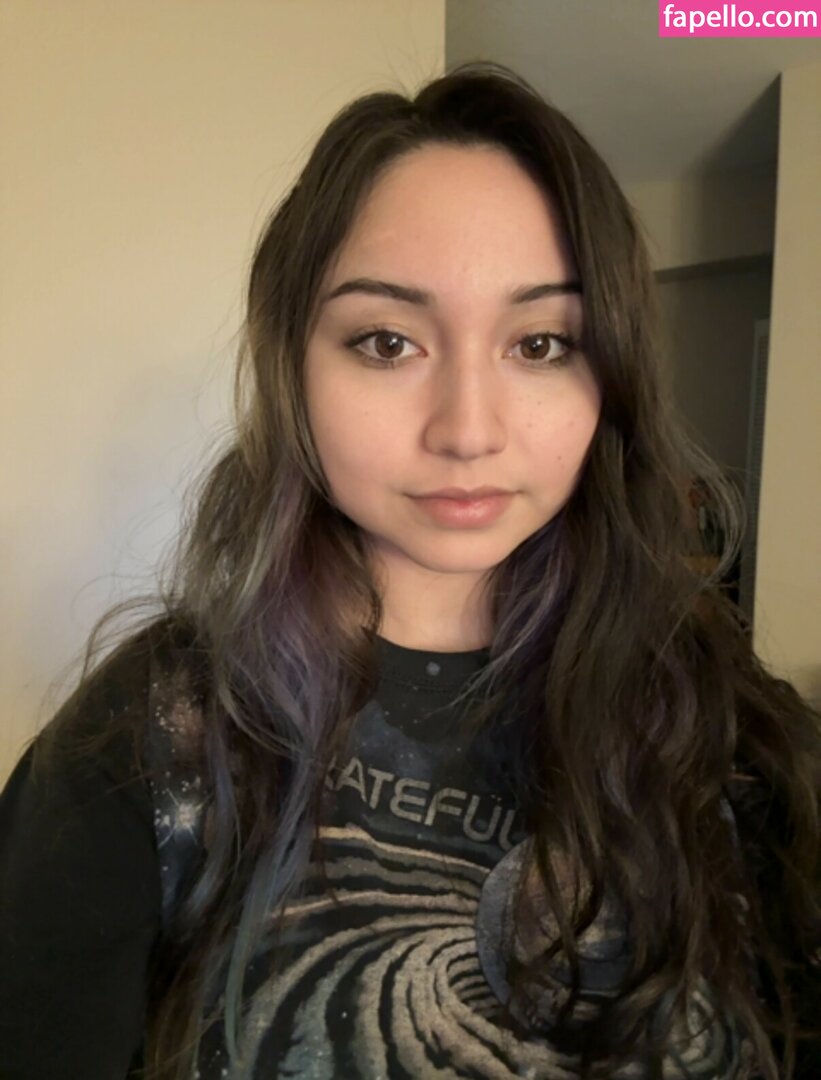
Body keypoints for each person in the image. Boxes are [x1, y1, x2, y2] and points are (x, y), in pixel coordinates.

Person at [0, 61, 818, 1080]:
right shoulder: (149, 740)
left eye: (539, 343)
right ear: (293, 366)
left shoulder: (725, 723)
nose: (467, 431)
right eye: (387, 342)